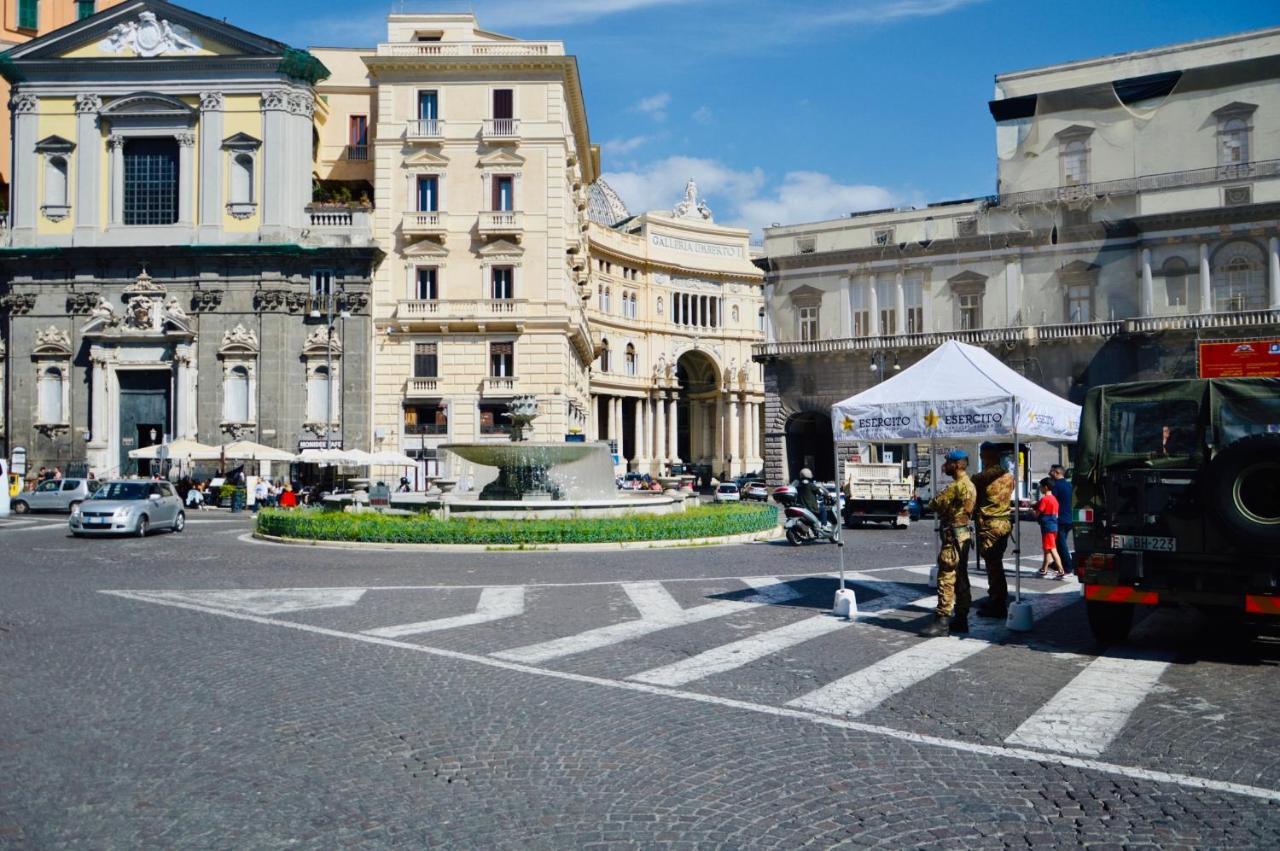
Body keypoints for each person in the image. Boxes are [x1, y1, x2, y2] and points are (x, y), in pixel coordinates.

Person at [923, 449, 978, 637]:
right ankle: (961, 618)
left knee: (946, 577)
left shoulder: (956, 486)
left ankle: (942, 621)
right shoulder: (970, 485)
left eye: (947, 463)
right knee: (961, 577)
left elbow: (934, 503)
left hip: (952, 537)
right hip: (963, 535)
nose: (944, 466)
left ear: (957, 465)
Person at [972, 443, 1015, 618]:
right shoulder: (1009, 476)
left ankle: (997, 602)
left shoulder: (981, 478)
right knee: (996, 564)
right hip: (1004, 523)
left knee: (993, 566)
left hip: (989, 525)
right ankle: (996, 598)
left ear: (985, 456)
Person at [1035, 478, 1066, 579]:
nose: (1039, 488)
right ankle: (1044, 569)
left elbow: (1038, 513)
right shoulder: (1054, 499)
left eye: (1040, 486)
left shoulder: (1044, 499)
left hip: (1047, 527)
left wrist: (1031, 513)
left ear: (1045, 487)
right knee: (1047, 549)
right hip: (1054, 526)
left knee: (1052, 549)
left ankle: (1061, 571)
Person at [1049, 464, 1074, 576]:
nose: (1050, 473)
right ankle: (1058, 563)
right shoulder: (1069, 485)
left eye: (1051, 472)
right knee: (1060, 543)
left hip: (1060, 519)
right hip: (1069, 518)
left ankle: (1068, 567)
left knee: (1060, 543)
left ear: (1057, 473)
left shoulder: (1055, 486)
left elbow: (1051, 502)